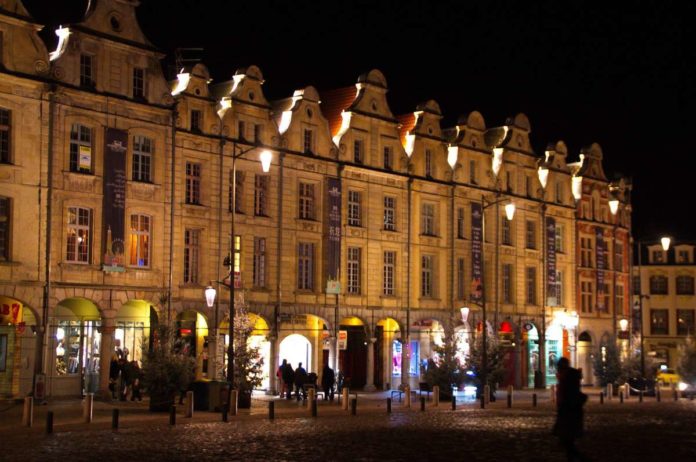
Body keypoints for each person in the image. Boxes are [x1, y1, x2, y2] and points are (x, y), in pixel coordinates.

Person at [554, 357, 588, 461]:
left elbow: (568, 397)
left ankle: (579, 458)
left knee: (568, 441)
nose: (557, 372)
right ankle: (575, 457)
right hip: (569, 412)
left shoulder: (567, 378)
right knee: (568, 442)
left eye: (559, 368)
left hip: (569, 413)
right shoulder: (568, 377)